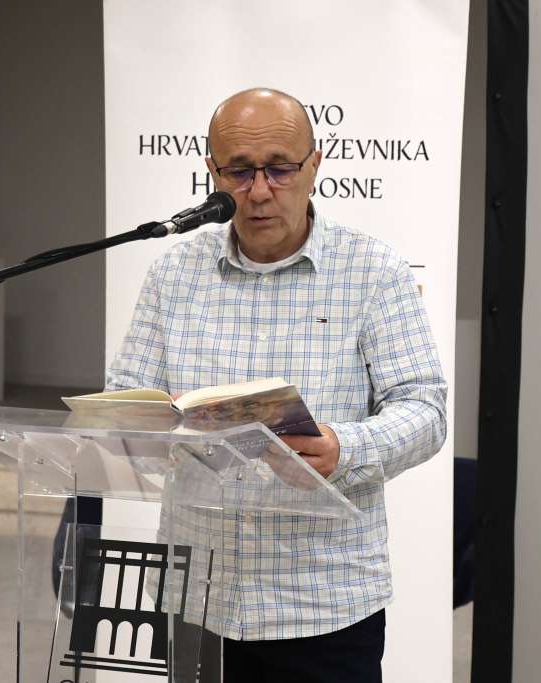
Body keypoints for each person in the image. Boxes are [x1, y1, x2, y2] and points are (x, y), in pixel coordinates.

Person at [107, 87, 447, 683]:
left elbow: (424, 407)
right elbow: (127, 394)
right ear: (212, 172)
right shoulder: (173, 274)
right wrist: (142, 421)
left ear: (315, 165)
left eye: (280, 168)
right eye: (238, 171)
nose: (259, 191)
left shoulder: (373, 271)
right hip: (199, 597)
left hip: (323, 602)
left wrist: (345, 448)